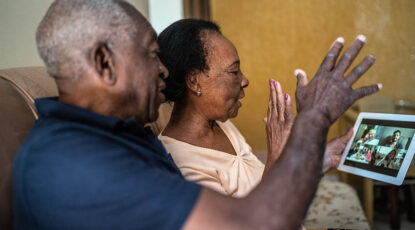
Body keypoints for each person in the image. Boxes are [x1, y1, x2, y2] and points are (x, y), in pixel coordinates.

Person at [12, 0, 381, 229]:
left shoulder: (121, 135)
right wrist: (314, 116)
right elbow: (259, 223)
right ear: (105, 63)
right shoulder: (79, 167)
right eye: (151, 55)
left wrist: (319, 152)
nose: (163, 71)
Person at [157, 19, 353, 197]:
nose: (244, 80)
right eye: (234, 71)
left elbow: (256, 178)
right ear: (194, 81)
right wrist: (278, 153)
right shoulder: (178, 165)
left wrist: (320, 158)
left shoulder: (222, 126)